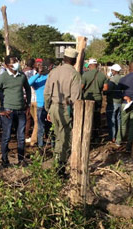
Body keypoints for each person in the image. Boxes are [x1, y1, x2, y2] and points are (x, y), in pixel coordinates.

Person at [44, 48, 81, 177]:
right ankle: (60, 168)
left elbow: (47, 92)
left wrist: (48, 109)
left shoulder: (53, 72)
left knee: (57, 136)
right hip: (66, 108)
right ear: (75, 60)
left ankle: (56, 164)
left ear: (64, 59)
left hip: (53, 107)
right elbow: (76, 98)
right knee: (64, 139)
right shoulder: (74, 74)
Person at [0, 56, 31, 167]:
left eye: (16, 61)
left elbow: (27, 88)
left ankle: (21, 160)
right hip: (8, 111)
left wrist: (29, 104)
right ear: (7, 65)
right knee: (6, 136)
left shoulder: (22, 76)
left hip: (21, 110)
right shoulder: (3, 77)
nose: (16, 64)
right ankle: (4, 161)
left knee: (21, 137)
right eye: (13, 62)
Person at [28, 60, 53, 148]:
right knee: (40, 127)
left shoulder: (49, 76)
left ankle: (53, 144)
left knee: (51, 126)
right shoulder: (37, 78)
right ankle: (40, 145)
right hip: (40, 105)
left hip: (50, 105)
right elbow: (28, 83)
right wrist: (38, 74)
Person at [81, 58, 107, 139]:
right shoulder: (102, 75)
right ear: (96, 65)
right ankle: (96, 135)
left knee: (87, 117)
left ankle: (87, 134)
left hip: (87, 98)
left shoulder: (85, 75)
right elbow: (105, 88)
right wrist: (98, 89)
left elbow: (81, 87)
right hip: (98, 98)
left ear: (90, 65)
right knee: (97, 117)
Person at [105, 64, 123, 142]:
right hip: (120, 101)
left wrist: (104, 92)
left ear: (114, 71)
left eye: (112, 70)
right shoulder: (122, 78)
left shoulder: (112, 80)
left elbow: (109, 90)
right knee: (118, 119)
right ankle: (119, 136)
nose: (111, 71)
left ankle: (112, 136)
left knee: (112, 119)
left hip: (113, 102)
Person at [23, 58, 38, 146]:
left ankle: (25, 135)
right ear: (33, 65)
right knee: (33, 119)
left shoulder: (22, 72)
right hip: (33, 97)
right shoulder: (34, 73)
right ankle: (30, 137)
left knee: (26, 117)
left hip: (24, 97)